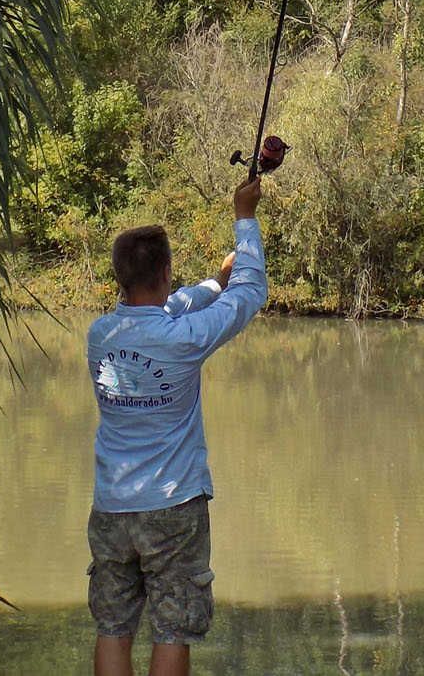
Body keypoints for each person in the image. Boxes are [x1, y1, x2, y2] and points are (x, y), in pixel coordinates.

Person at [84, 176, 268, 676]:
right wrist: (244, 217)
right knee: (174, 627)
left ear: (120, 278)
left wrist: (215, 282)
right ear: (166, 271)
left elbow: (167, 306)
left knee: (113, 626)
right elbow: (253, 292)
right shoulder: (184, 340)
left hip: (111, 506)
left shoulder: (101, 335)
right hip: (172, 505)